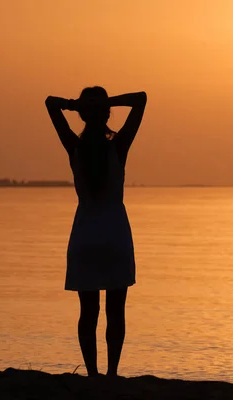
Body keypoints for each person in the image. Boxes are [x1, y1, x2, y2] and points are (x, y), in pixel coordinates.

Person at [45, 87, 147, 377]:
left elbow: (50, 103)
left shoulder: (73, 145)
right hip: (115, 232)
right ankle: (111, 373)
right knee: (116, 310)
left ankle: (92, 374)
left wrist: (74, 105)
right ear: (106, 113)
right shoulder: (119, 145)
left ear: (84, 114)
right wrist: (102, 103)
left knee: (88, 311)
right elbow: (140, 99)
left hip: (85, 233)